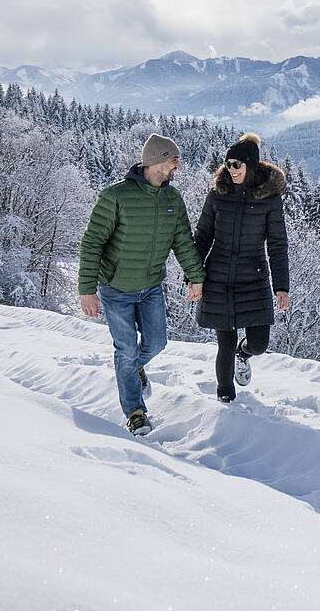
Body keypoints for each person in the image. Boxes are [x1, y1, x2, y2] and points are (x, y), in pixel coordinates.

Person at [78, 133, 203, 434]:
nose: (178, 167)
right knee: (125, 349)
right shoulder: (116, 196)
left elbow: (183, 242)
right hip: (115, 289)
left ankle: (132, 370)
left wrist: (196, 277)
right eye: (174, 160)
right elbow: (92, 242)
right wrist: (87, 290)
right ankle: (135, 411)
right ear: (158, 161)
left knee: (157, 342)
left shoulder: (173, 199)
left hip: (151, 288)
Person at [194, 133, 289, 402]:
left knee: (259, 344)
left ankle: (243, 354)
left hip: (254, 278)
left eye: (237, 164)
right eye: (228, 164)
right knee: (224, 341)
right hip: (218, 277)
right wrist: (194, 276)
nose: (231, 169)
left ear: (250, 165)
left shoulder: (269, 199)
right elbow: (202, 237)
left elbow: (278, 245)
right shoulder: (217, 195)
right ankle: (225, 398)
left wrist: (281, 287)